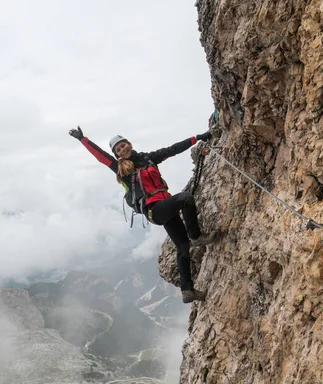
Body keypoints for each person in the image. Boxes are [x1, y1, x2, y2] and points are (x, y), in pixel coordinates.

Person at [68, 125, 218, 303]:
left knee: (182, 246)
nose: (123, 149)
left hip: (165, 206)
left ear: (129, 144)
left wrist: (197, 137)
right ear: (117, 155)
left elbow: (172, 149)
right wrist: (82, 139)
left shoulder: (148, 158)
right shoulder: (121, 170)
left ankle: (188, 290)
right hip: (154, 210)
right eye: (118, 149)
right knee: (186, 198)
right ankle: (197, 236)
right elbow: (101, 157)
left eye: (123, 145)